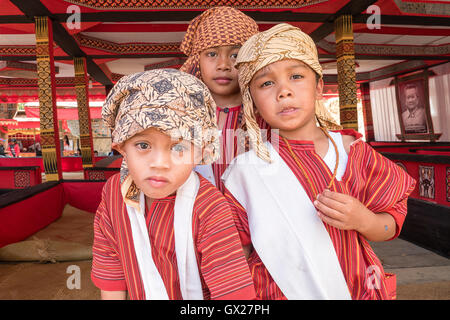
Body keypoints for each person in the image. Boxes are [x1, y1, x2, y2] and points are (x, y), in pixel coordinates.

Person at [222, 24, 416, 300]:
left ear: (318, 88)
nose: (283, 91)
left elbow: (390, 227)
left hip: (357, 290)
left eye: (296, 76)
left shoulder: (353, 152)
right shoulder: (244, 172)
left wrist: (364, 219)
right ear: (252, 102)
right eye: (266, 83)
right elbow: (236, 255)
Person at [91, 69, 256, 300]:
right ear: (121, 147)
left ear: (201, 152)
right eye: (143, 145)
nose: (159, 163)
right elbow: (110, 264)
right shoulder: (113, 195)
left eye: (178, 148)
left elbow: (232, 295)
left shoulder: (210, 208)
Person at [179, 6, 268, 192]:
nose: (224, 65)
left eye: (235, 55)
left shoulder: (267, 114)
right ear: (197, 61)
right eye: (212, 54)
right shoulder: (179, 116)